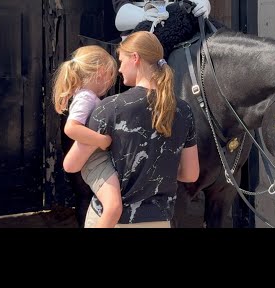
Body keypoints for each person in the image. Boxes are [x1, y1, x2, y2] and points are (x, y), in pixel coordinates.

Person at [84, 31, 199, 227]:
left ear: (135, 58)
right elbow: (190, 174)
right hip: (159, 220)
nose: (119, 69)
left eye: (121, 60)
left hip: (110, 221)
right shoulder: (184, 111)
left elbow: (79, 163)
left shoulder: (109, 108)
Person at [52, 45, 122, 228]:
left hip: (93, 157)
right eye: (110, 77)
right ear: (100, 72)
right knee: (113, 204)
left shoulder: (85, 96)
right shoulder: (86, 97)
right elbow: (71, 128)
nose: (111, 83)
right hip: (95, 159)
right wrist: (102, 140)